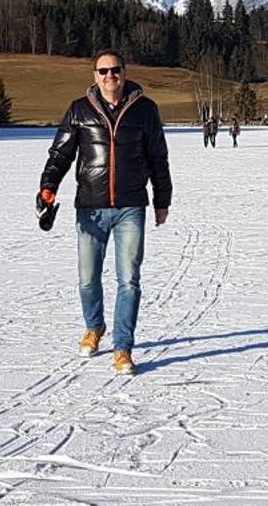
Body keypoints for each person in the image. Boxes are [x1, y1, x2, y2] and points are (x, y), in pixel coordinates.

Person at [38, 50, 172, 376]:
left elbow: (158, 157)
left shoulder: (145, 110)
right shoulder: (79, 110)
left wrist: (162, 199)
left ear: (125, 72)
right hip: (90, 207)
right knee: (88, 279)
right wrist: (47, 187)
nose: (110, 76)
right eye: (103, 71)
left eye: (115, 70)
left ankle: (123, 348)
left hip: (131, 207)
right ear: (94, 75)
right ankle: (94, 328)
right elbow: (60, 154)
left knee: (129, 280)